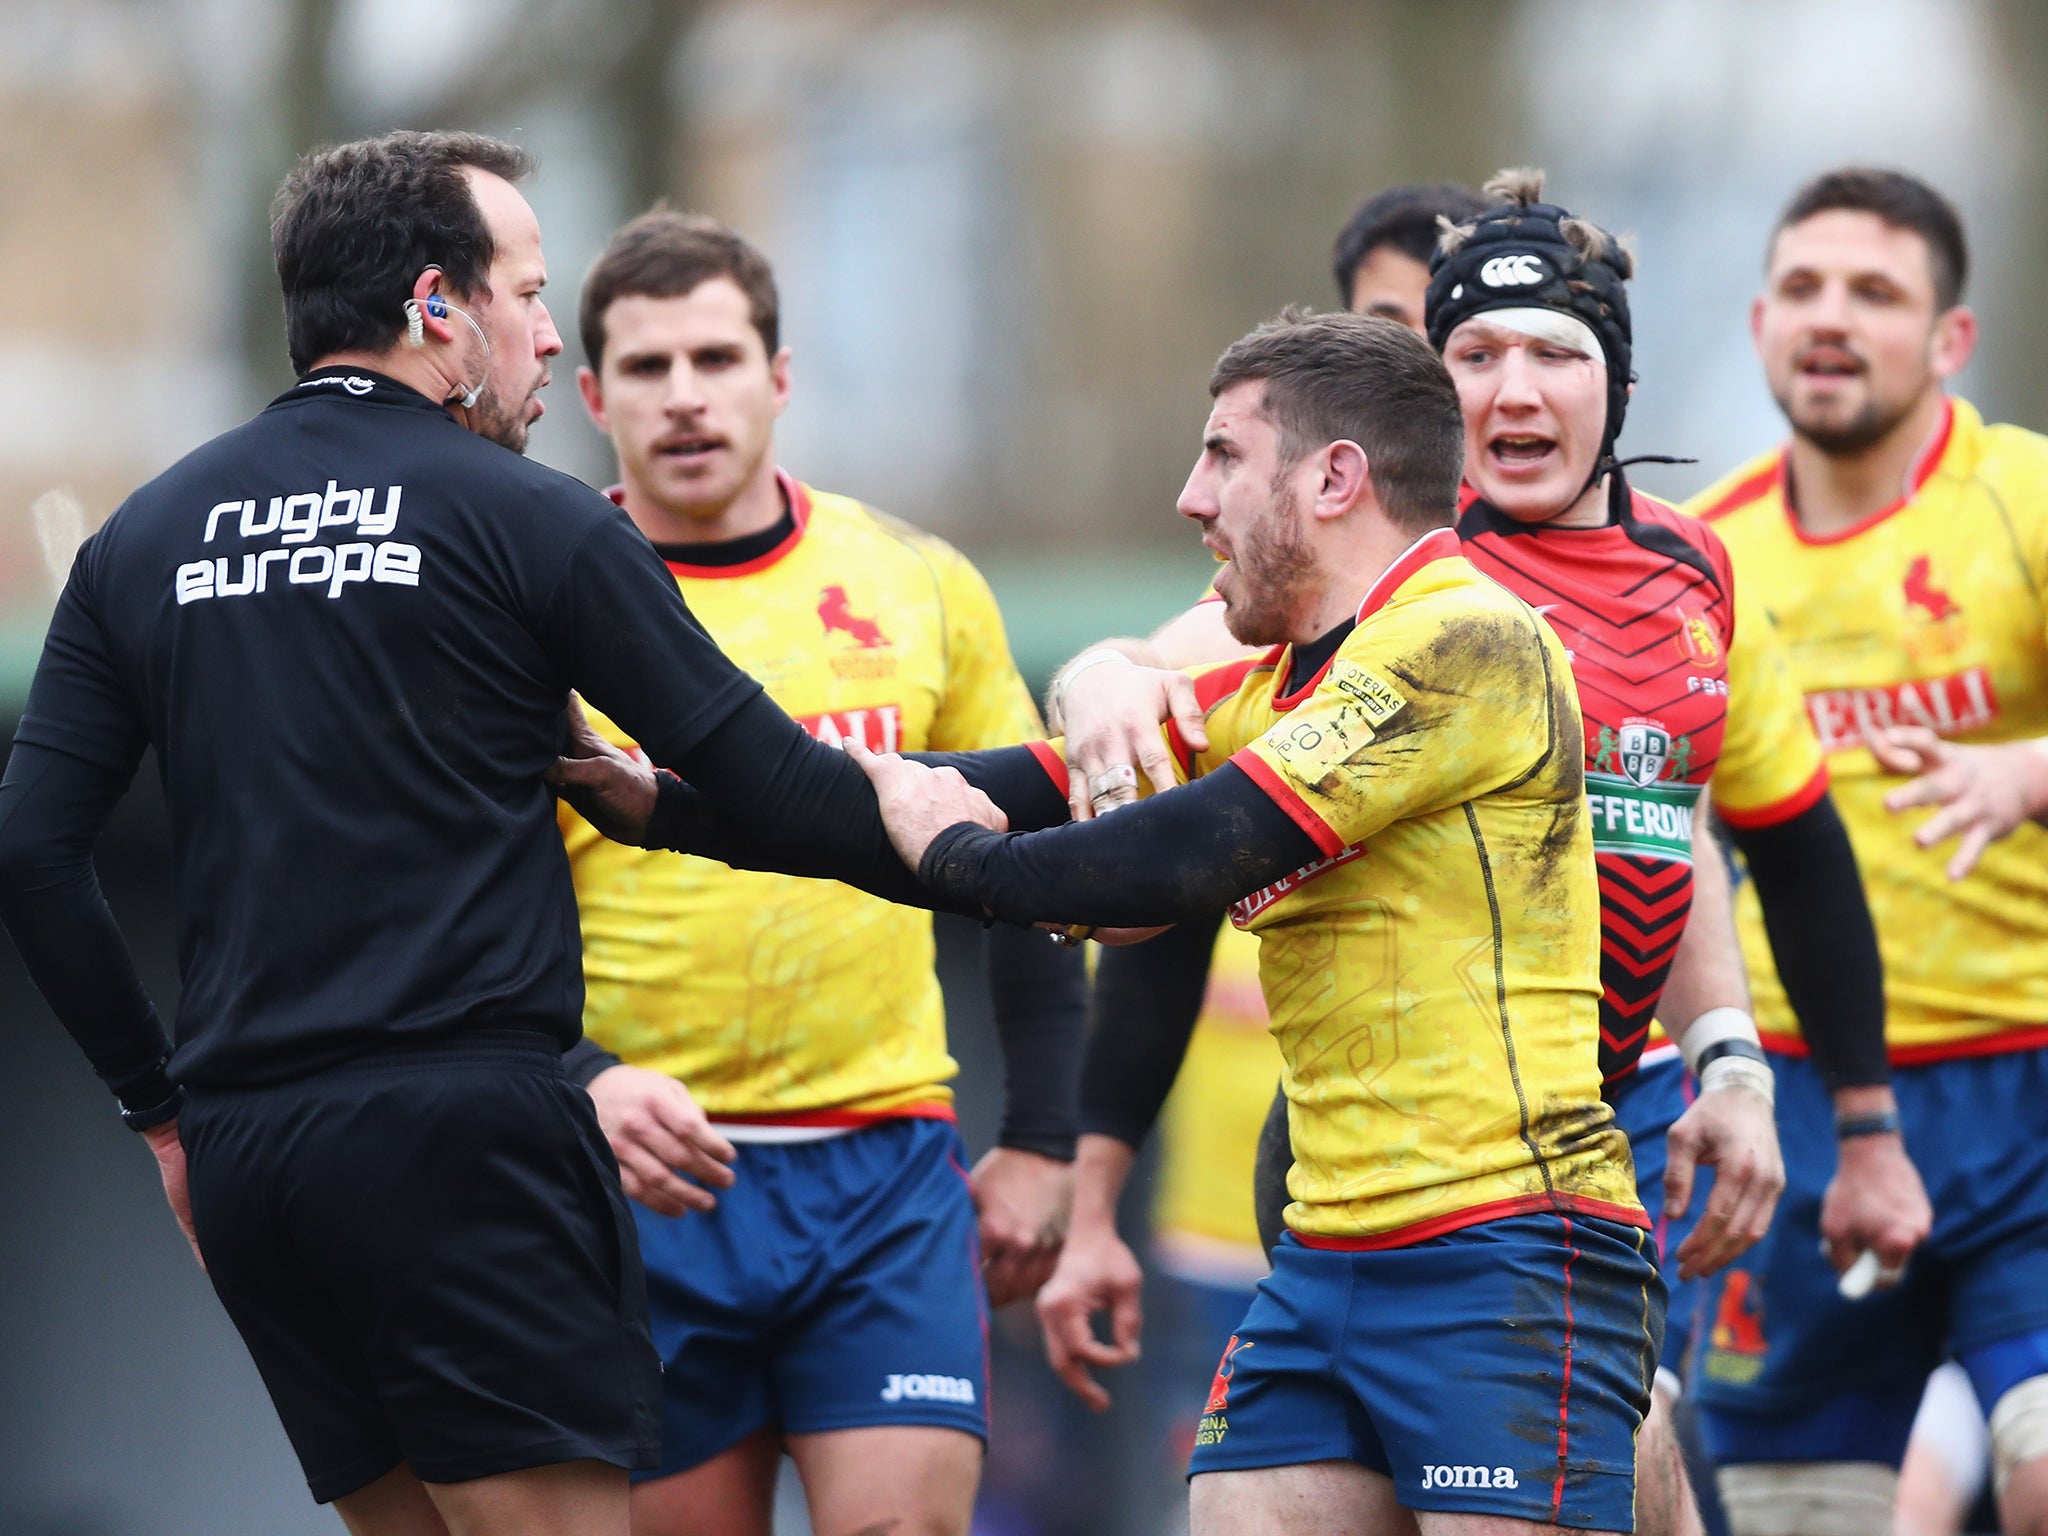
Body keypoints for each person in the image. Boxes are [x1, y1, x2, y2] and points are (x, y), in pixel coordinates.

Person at [0, 130, 1007, 1536]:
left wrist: (161, 1116)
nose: (548, 337)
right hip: (464, 1145)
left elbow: (35, 852)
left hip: (253, 1165)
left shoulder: (142, 538)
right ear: (436, 309)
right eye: (529, 295)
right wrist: (979, 807)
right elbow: (776, 786)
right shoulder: (533, 521)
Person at [557, 307, 1666, 1536]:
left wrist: (963, 853)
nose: (1192, 498)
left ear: (1335, 477)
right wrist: (662, 804)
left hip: (1501, 1253)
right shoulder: (1270, 686)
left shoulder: (1463, 639)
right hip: (1318, 1263)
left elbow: (1162, 862)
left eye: (1224, 457)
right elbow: (948, 782)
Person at [1036, 170, 1929, 1536]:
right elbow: (1165, 745)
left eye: (1554, 353)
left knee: (1643, 1453)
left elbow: (1677, 829)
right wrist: (1095, 671)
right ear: (1430, 399)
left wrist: (1739, 1063)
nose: (1515, 389)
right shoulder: (1386, 585)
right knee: (1604, 1451)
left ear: (1612, 385)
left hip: (1617, 1122)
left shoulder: (1695, 577)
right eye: (1474, 356)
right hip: (1404, 1155)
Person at [556, 209, 1082, 1536]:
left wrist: (1037, 1143)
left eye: (718, 359)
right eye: (649, 367)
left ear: (779, 377)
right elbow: (458, 920)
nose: (686, 397)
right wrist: (582, 1083)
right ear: (590, 393)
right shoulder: (535, 604)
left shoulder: (915, 582)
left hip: (882, 1168)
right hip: (649, 1177)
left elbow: (1024, 865)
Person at [1685, 165, 2048, 1536]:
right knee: (1795, 1516)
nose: (1832, 319)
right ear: (1761, 317)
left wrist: (2027, 770)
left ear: (1948, 339)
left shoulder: (2023, 502)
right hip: (1786, 1108)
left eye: (1875, 293)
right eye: (1805, 289)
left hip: (2028, 1087)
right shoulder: (1700, 557)